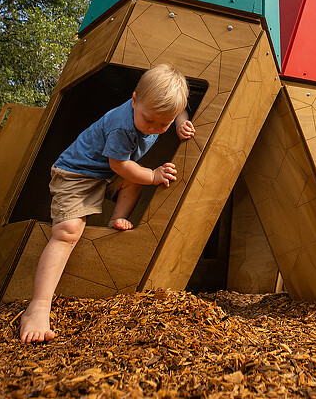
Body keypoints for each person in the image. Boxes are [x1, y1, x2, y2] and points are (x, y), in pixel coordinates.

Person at [20, 64, 195, 343]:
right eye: (149, 121)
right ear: (135, 100)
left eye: (164, 123)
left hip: (105, 175)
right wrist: (152, 174)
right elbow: (121, 164)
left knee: (133, 180)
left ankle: (117, 216)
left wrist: (179, 120)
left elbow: (174, 111)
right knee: (67, 232)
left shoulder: (156, 112)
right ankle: (38, 307)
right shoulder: (122, 127)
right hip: (76, 175)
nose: (154, 128)